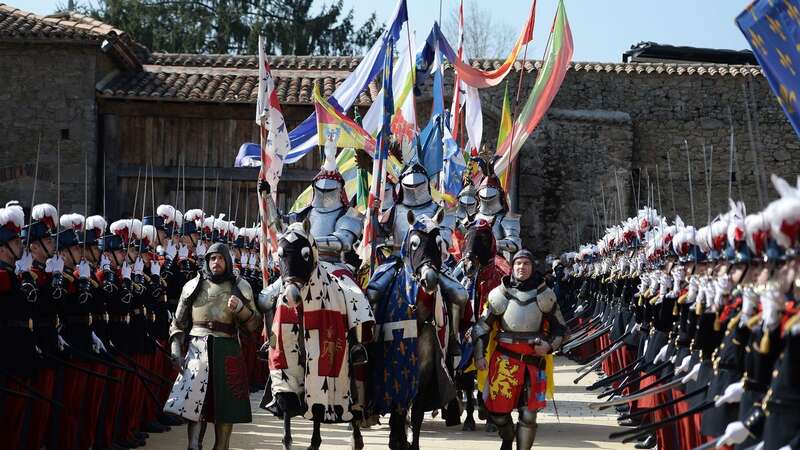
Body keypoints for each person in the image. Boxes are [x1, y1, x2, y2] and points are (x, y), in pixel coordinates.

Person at [165, 242, 261, 450]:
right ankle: (193, 445)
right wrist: (175, 351)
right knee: (194, 403)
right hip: (197, 350)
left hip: (227, 349)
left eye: (220, 258)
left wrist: (242, 310)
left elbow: (254, 325)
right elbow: (178, 323)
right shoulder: (193, 285)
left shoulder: (241, 286)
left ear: (227, 260)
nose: (216, 262)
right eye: (212, 258)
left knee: (225, 407)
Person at [473, 249, 566, 450]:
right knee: (497, 413)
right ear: (512, 267)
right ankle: (507, 437)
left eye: (526, 264)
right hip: (504, 361)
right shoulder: (499, 295)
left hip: (533, 362)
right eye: (518, 264)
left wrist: (549, 346)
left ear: (533, 267)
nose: (521, 267)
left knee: (529, 415)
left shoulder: (545, 295)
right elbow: (481, 327)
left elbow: (561, 330)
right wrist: (479, 355)